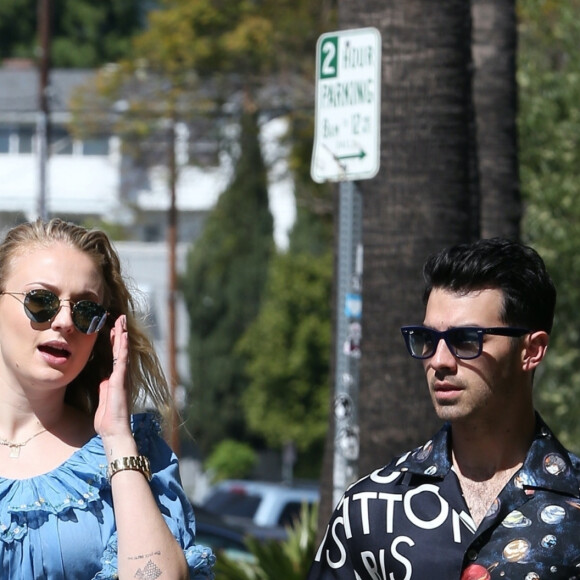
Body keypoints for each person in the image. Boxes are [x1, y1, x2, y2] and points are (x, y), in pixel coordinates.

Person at [308, 238, 580, 579]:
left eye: (466, 340)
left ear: (531, 350)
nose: (438, 361)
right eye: (428, 339)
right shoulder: (369, 509)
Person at [0, 218, 215, 579]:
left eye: (86, 310)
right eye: (41, 301)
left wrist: (116, 439)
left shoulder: (131, 451)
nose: (65, 321)